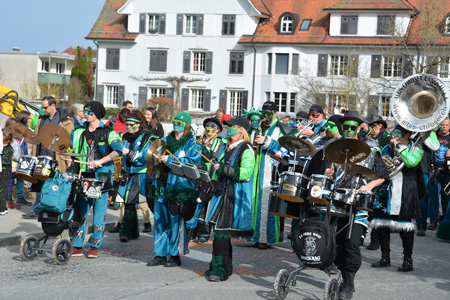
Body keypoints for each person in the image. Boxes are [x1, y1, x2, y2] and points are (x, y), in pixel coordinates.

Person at [323, 110, 389, 299]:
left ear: (359, 127)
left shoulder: (371, 147)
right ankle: (341, 276)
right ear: (342, 127)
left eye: (353, 127)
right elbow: (327, 171)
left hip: (359, 202)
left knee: (352, 243)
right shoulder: (335, 147)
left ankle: (349, 284)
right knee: (336, 242)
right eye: (346, 127)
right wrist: (329, 172)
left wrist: (369, 185)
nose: (349, 131)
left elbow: (383, 175)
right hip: (337, 200)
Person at [146, 112, 201, 267]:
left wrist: (169, 160)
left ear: (187, 125)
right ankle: (160, 254)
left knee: (175, 222)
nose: (176, 124)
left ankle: (175, 255)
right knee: (159, 220)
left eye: (180, 122)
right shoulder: (164, 141)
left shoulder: (192, 144)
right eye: (174, 121)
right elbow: (150, 154)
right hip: (161, 185)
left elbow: (192, 162)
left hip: (179, 187)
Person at [205, 116, 255, 281]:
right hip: (219, 193)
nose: (228, 129)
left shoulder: (246, 148)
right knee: (221, 235)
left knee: (220, 234)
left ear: (241, 129)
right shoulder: (223, 145)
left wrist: (224, 170)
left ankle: (219, 270)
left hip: (232, 197)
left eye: (231, 127)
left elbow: (246, 174)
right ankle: (224, 267)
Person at [70, 101, 123, 258]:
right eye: (84, 111)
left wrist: (100, 161)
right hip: (83, 176)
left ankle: (94, 245)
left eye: (88, 112)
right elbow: (70, 149)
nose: (85, 114)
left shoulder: (109, 132)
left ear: (97, 114)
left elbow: (118, 151)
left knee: (99, 214)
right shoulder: (79, 131)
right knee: (80, 212)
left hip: (101, 177)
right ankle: (77, 244)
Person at [371, 124, 424, 273]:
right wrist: (382, 160)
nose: (395, 135)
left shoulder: (416, 149)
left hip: (405, 190)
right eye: (395, 132)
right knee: (382, 225)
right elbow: (379, 165)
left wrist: (400, 146)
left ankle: (408, 260)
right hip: (386, 189)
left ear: (407, 134)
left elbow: (411, 162)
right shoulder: (388, 147)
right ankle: (385, 257)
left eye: (399, 133)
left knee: (405, 228)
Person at [248, 101, 293, 249]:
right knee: (253, 202)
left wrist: (268, 142)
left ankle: (265, 238)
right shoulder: (256, 127)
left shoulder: (282, 129)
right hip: (254, 171)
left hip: (272, 171)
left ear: (275, 113)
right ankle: (254, 236)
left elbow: (288, 150)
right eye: (263, 113)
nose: (265, 116)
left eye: (269, 113)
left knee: (266, 205)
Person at [22, 96, 74, 219]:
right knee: (40, 185)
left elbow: (68, 142)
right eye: (42, 107)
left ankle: (56, 211)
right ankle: (39, 210)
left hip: (57, 158)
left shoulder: (65, 121)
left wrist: (68, 160)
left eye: (45, 107)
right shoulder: (41, 120)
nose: (43, 110)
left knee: (56, 185)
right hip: (41, 157)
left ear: (53, 106)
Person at [116, 110, 156, 242]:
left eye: (132, 125)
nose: (128, 127)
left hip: (140, 174)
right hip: (126, 173)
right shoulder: (124, 137)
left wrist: (129, 152)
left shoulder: (146, 138)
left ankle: (126, 231)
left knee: (129, 202)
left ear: (139, 125)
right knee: (127, 203)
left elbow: (145, 157)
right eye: (127, 124)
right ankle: (133, 232)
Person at [187, 117, 224, 245]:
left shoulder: (220, 142)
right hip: (197, 176)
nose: (209, 128)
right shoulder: (199, 140)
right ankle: (191, 232)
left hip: (210, 177)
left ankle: (204, 233)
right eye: (208, 126)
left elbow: (216, 159)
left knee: (205, 206)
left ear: (218, 130)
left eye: (213, 126)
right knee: (195, 204)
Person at [362, 115, 391, 250]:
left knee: (377, 209)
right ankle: (360, 235)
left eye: (373, 126)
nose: (370, 129)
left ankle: (375, 239)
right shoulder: (365, 138)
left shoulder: (388, 139)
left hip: (381, 176)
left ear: (380, 126)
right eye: (369, 126)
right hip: (366, 174)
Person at [427, 118, 450, 231]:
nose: (444, 127)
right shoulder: (434, 135)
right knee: (433, 197)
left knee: (446, 198)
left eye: (446, 125)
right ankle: (433, 220)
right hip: (434, 169)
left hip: (447, 171)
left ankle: (444, 222)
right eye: (442, 124)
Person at [0, 129, 14, 215]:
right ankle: (3, 206)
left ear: (6, 137)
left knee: (2, 189)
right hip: (1, 169)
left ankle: (2, 208)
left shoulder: (9, 148)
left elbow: (7, 161)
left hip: (5, 171)